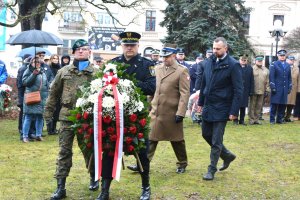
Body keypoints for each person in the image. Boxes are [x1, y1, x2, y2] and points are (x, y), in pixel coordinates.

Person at [97, 31, 155, 200]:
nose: (129, 48)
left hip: (137, 115)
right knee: (109, 151)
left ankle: (146, 186)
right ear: (121, 46)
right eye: (126, 45)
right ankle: (105, 189)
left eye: (132, 45)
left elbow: (151, 87)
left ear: (138, 46)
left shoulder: (147, 64)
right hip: (114, 114)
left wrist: (127, 84)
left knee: (142, 152)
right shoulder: (112, 64)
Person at [44, 39, 99, 200]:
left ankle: (94, 177)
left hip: (86, 118)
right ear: (73, 52)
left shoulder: (96, 73)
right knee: (64, 152)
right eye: (78, 49)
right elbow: (53, 93)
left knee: (89, 150)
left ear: (89, 52)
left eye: (84, 49)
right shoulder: (64, 71)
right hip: (67, 117)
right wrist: (48, 114)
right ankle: (60, 187)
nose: (81, 51)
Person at [198, 37, 243, 180]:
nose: (215, 51)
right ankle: (227, 155)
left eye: (218, 49)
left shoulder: (233, 64)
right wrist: (200, 103)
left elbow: (238, 90)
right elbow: (204, 83)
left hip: (223, 106)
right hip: (208, 105)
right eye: (214, 48)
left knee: (216, 140)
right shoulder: (209, 62)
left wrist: (234, 111)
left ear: (225, 49)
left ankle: (211, 170)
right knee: (206, 134)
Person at [148, 43, 190, 173]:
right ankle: (143, 163)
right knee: (151, 138)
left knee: (176, 140)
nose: (164, 59)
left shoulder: (181, 71)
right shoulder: (158, 68)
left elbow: (185, 93)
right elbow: (155, 89)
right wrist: (150, 104)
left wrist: (181, 112)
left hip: (172, 112)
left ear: (174, 56)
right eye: (162, 57)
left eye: (167, 57)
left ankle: (182, 163)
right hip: (157, 110)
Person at [22, 56, 49, 142]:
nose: (37, 63)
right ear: (31, 63)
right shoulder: (28, 71)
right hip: (31, 97)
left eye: (38, 62)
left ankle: (38, 135)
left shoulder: (42, 72)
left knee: (40, 117)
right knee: (28, 117)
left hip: (42, 98)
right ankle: (25, 136)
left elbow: (46, 84)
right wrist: (33, 74)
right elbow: (25, 82)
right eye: (35, 62)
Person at [269, 49, 292, 124]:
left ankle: (279, 119)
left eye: (283, 55)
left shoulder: (288, 65)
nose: (282, 57)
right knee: (274, 104)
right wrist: (273, 86)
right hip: (277, 87)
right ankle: (272, 120)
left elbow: (289, 77)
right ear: (278, 56)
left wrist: (289, 87)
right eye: (281, 55)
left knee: (283, 104)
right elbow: (271, 76)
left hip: (284, 88)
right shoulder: (274, 64)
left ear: (285, 56)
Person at [248, 55, 270, 125]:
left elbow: (267, 81)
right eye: (258, 61)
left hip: (262, 90)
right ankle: (251, 119)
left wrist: (267, 90)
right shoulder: (251, 69)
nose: (260, 62)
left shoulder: (266, 70)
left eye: (261, 61)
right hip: (253, 90)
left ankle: (257, 119)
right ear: (255, 61)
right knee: (252, 105)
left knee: (259, 105)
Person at [233, 55, 254, 125]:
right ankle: (235, 120)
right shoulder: (235, 67)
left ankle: (241, 120)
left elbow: (252, 80)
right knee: (236, 105)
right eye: (242, 60)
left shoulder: (250, 68)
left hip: (245, 90)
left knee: (243, 106)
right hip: (236, 90)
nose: (243, 61)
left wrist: (251, 91)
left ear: (246, 61)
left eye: (245, 60)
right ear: (239, 60)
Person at [47, 54, 61, 135]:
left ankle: (54, 128)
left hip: (58, 92)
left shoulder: (59, 68)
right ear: (51, 59)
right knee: (50, 111)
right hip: (51, 91)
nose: (55, 60)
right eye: (54, 58)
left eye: (57, 58)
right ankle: (50, 129)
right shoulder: (49, 68)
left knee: (56, 111)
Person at [284, 56, 299, 122]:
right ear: (287, 60)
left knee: (291, 104)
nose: (291, 61)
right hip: (285, 88)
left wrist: (298, 90)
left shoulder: (297, 68)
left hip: (293, 89)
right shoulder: (284, 66)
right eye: (290, 60)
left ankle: (288, 117)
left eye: (292, 60)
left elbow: (299, 79)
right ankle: (281, 116)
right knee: (284, 103)